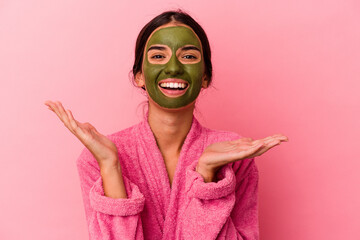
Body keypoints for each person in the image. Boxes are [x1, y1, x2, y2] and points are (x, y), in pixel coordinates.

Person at [44, 9, 288, 240]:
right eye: (158, 56)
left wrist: (207, 176)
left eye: (189, 56)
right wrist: (110, 166)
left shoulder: (234, 154)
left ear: (205, 76)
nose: (173, 67)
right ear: (139, 75)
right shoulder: (96, 157)